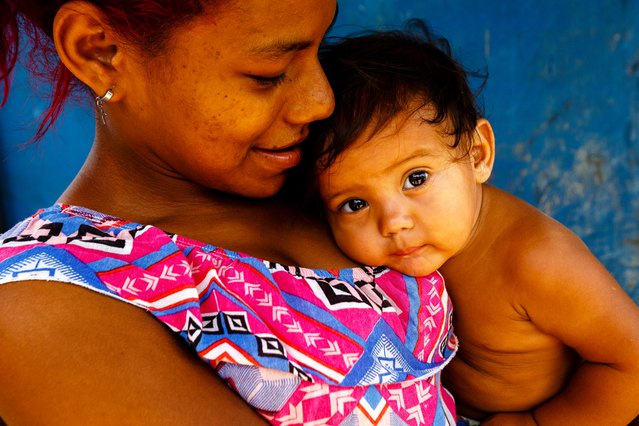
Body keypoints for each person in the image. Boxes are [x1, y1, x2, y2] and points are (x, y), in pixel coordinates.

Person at [0, 2, 460, 425]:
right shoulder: (41, 307)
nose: (321, 101)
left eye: (319, 50)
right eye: (270, 73)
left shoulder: (337, 181)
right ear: (99, 50)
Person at [300, 19, 639, 425]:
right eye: (355, 203)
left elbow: (631, 362)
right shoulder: (360, 257)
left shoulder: (534, 259)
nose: (392, 222)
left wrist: (537, 423)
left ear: (477, 155)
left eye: (416, 179)